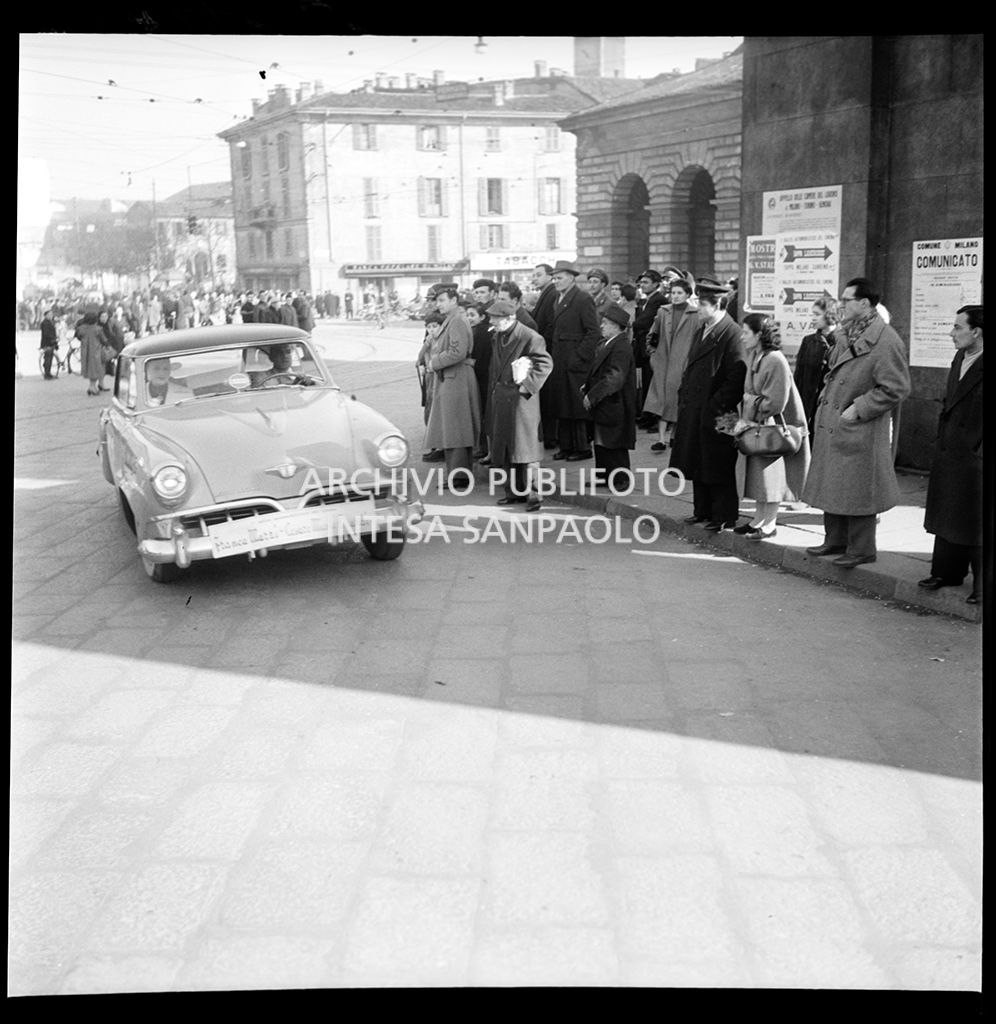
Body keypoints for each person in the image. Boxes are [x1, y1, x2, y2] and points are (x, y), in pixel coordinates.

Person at [802, 277, 912, 567]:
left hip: (859, 426)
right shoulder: (845, 334)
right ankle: (835, 540)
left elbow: (897, 388)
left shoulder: (886, 340)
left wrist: (859, 408)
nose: (841, 304)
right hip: (835, 423)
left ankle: (862, 548)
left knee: (858, 489)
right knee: (834, 484)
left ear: (864, 303)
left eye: (846, 299)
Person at [668, 277, 747, 532]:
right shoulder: (702, 328)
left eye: (701, 305)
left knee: (719, 463)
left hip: (721, 412)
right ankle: (701, 510)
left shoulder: (731, 333)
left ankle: (723, 515)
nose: (697, 309)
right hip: (696, 407)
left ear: (717, 304)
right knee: (697, 460)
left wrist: (715, 405)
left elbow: (737, 376)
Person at [919, 305, 984, 604]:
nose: (951, 332)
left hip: (976, 455)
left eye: (958, 327)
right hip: (951, 451)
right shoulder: (961, 356)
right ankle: (946, 572)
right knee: (948, 513)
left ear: (977, 332)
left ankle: (982, 586)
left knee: (976, 521)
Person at [734, 314, 811, 539]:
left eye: (746, 332)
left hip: (772, 427)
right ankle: (759, 520)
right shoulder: (758, 355)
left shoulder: (774, 359)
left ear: (759, 335)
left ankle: (769, 524)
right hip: (760, 424)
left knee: (772, 477)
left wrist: (749, 405)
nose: (742, 336)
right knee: (761, 475)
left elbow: (775, 402)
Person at [484, 298, 553, 512]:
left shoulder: (530, 336)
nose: (492, 322)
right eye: (492, 318)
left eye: (496, 319)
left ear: (510, 318)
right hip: (502, 398)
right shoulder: (497, 335)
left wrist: (526, 388)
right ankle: (513, 492)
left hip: (522, 401)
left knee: (527, 449)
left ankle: (534, 494)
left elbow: (545, 364)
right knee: (506, 447)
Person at [422, 285, 481, 484]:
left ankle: (459, 476)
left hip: (456, 378)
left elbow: (458, 352)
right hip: (452, 378)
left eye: (442, 300)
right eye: (437, 301)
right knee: (453, 428)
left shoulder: (456, 321)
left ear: (454, 300)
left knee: (456, 428)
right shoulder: (452, 319)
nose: (438, 304)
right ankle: (458, 474)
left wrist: (434, 362)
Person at [548, 259, 601, 462]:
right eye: (554, 278)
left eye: (559, 278)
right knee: (563, 403)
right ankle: (566, 446)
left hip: (574, 360)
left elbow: (593, 332)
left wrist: (580, 357)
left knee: (576, 405)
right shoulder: (558, 299)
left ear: (571, 278)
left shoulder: (582, 298)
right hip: (560, 359)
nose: (555, 281)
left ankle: (581, 447)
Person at [581, 303, 637, 493]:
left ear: (617, 326)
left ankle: (621, 479)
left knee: (614, 443)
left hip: (615, 402)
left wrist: (592, 395)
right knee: (601, 442)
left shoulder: (621, 346)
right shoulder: (606, 343)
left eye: (605, 323)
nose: (602, 326)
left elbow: (615, 377)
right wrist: (587, 386)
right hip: (605, 403)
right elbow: (598, 371)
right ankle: (604, 476)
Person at [642, 275, 699, 452]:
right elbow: (652, 335)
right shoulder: (663, 311)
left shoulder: (695, 314)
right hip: (663, 362)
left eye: (679, 293)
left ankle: (674, 436)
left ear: (687, 294)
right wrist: (653, 355)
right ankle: (661, 438)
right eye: (673, 292)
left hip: (682, 362)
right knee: (662, 400)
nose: (675, 296)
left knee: (676, 400)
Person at [794, 297, 838, 437]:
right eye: (812, 313)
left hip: (830, 409)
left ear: (830, 315)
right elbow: (799, 377)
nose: (813, 318)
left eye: (817, 314)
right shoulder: (808, 341)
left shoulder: (843, 343)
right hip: (808, 408)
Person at [632, 269, 667, 430]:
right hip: (643, 347)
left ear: (656, 284)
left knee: (653, 383)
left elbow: (642, 323)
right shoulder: (646, 300)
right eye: (641, 282)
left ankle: (655, 417)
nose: (642, 285)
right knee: (646, 382)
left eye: (646, 282)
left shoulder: (658, 300)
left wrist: (630, 322)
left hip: (653, 347)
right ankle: (647, 415)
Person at [530, 262, 559, 448]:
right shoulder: (545, 294)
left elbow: (549, 324)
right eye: (533, 275)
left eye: (538, 274)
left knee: (549, 397)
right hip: (545, 349)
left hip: (547, 350)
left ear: (550, 276)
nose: (534, 278)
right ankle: (549, 435)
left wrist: (542, 347)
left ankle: (551, 436)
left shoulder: (552, 294)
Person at [465, 302, 493, 460]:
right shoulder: (477, 330)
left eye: (472, 315)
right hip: (481, 375)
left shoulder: (481, 332)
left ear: (482, 317)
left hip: (482, 376)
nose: (469, 318)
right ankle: (483, 447)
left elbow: (479, 358)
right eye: (467, 315)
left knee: (482, 411)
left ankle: (483, 448)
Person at [249, 343, 317, 387]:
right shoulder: (261, 377)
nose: (285, 356)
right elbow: (262, 398)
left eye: (288, 352)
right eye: (280, 353)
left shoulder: (299, 376)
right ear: (272, 357)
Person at [76, 306, 107, 396]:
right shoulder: (98, 329)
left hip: (85, 351)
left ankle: (91, 386)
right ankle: (92, 387)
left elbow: (78, 337)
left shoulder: (81, 328)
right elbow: (103, 339)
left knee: (89, 368)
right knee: (96, 369)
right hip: (95, 351)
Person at [39, 309, 58, 379]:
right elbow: (46, 334)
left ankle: (48, 373)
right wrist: (53, 338)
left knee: (50, 358)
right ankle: (47, 374)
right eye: (50, 314)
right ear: (46, 315)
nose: (51, 316)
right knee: (47, 359)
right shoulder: (45, 323)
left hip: (50, 342)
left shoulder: (49, 322)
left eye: (52, 314)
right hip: (47, 343)